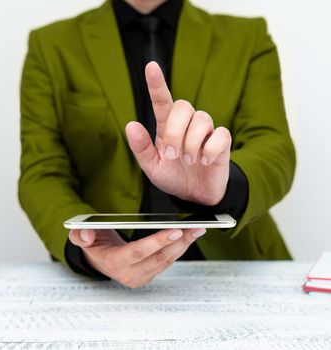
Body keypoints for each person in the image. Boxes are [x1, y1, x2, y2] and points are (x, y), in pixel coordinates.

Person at [19, 0, 296, 288]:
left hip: (233, 267)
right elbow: (42, 170)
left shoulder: (247, 37)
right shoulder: (51, 45)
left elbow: (274, 146)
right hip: (106, 272)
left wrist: (223, 184)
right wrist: (89, 249)